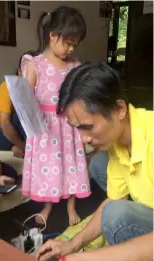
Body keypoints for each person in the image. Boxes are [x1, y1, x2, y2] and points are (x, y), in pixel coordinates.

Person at [36, 61, 153, 261]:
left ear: (119, 109)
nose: (83, 139)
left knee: (115, 216)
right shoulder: (119, 141)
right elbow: (115, 198)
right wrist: (72, 245)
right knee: (99, 164)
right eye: (78, 129)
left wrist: (87, 258)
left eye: (88, 127)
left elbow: (114, 209)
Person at [22, 6, 91, 226]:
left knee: (70, 164)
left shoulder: (75, 66)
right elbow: (26, 99)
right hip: (45, 127)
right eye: (68, 43)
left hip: (69, 125)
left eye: (75, 44)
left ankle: (71, 207)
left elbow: (80, 96)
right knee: (48, 168)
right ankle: (47, 206)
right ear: (52, 36)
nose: (71, 48)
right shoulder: (35, 65)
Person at [0, 51, 38, 158]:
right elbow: (5, 124)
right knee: (23, 113)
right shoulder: (7, 87)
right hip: (0, 133)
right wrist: (24, 148)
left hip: (18, 133)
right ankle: (32, 150)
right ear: (20, 71)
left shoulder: (39, 89)